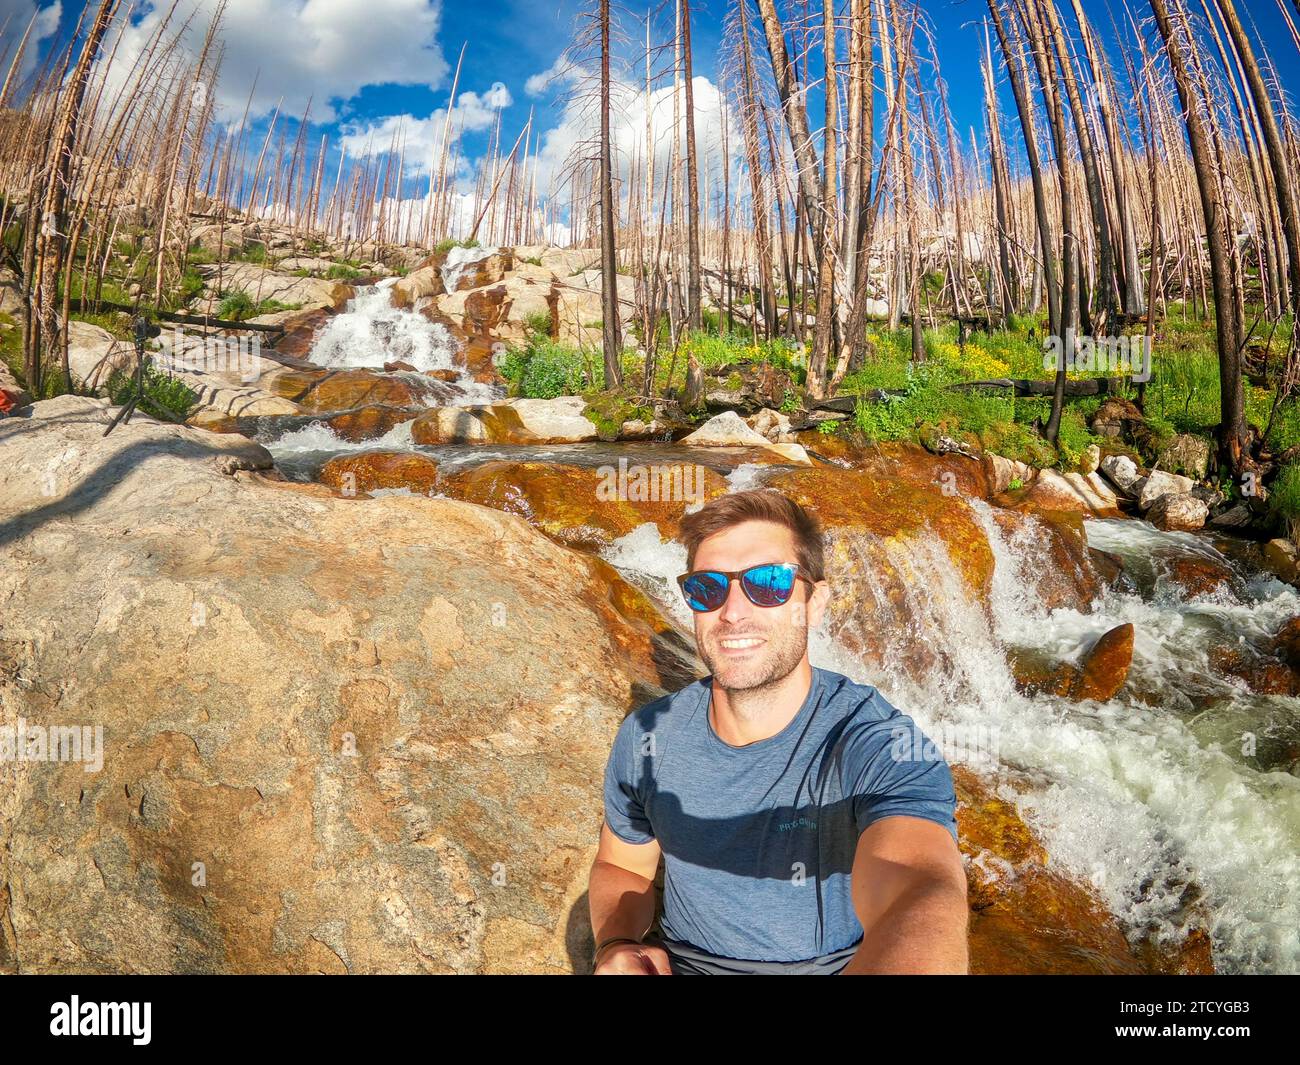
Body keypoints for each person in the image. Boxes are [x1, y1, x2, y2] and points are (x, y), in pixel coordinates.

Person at [588, 488, 968, 975]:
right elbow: (623, 865)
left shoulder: (877, 744)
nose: (733, 612)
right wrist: (617, 942)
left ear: (814, 602)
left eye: (768, 583)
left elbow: (922, 889)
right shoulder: (647, 738)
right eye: (708, 587)